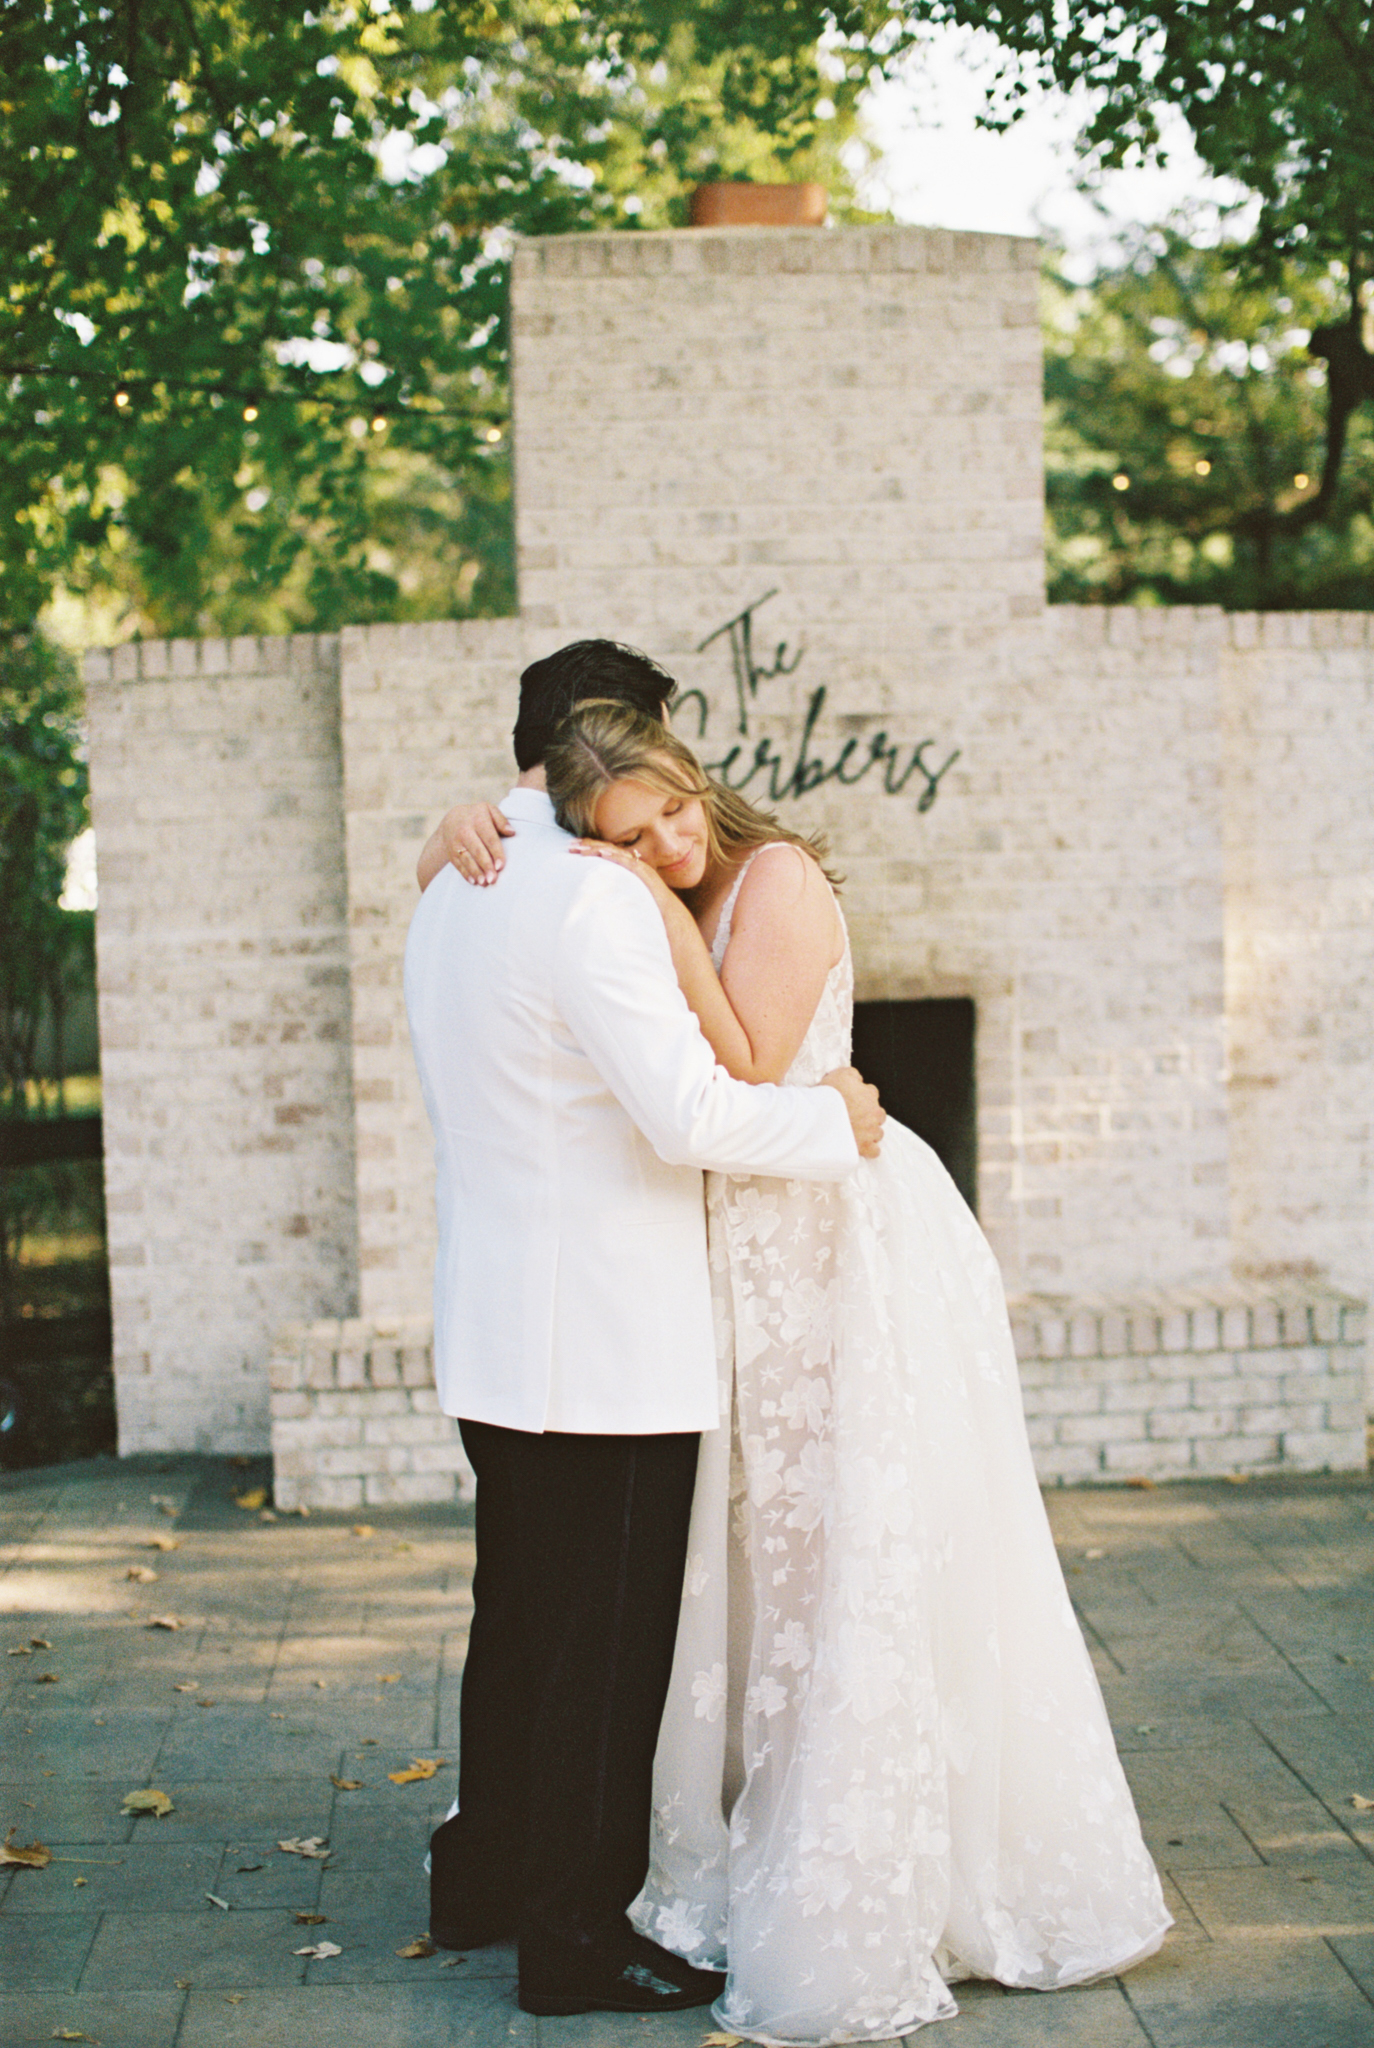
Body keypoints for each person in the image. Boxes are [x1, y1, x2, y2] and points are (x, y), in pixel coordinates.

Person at [428, 696, 1173, 2043]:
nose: (661, 841)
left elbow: (756, 1062)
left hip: (832, 1240)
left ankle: (881, 1851)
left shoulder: (773, 881)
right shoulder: (580, 878)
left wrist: (653, 919)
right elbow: (505, 897)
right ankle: (705, 1838)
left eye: (669, 808)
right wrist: (455, 831)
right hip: (728, 1251)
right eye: (626, 831)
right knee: (750, 1568)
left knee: (843, 1549)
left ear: (691, 772)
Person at [403, 641, 885, 2022]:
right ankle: (570, 1934)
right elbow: (690, 1117)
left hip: (492, 1326)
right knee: (603, 1651)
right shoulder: (591, 899)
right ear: (603, 752)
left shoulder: (451, 884)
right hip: (604, 1343)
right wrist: (833, 1124)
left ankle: (481, 1875)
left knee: (522, 1621)